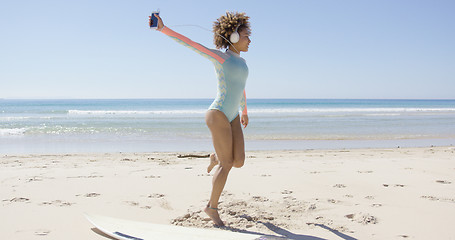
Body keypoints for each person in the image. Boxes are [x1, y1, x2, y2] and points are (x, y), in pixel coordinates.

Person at [150, 12, 251, 226]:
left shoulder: (243, 64)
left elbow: (240, 87)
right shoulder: (221, 58)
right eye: (245, 35)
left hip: (233, 115)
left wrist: (244, 110)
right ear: (233, 37)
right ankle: (211, 208)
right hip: (218, 113)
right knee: (227, 164)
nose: (249, 39)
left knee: (239, 161)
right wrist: (163, 28)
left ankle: (215, 155)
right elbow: (191, 44)